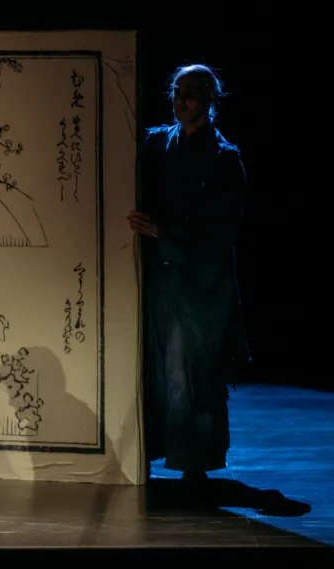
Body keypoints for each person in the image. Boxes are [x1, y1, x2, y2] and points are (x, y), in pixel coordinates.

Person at [127, 64, 251, 482]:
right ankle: (148, 452)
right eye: (177, 92)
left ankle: (194, 465)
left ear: (209, 99)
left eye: (191, 93)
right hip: (157, 280)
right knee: (153, 371)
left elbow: (219, 233)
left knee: (190, 372)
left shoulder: (224, 159)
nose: (181, 101)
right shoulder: (157, 143)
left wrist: (164, 231)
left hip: (199, 286)